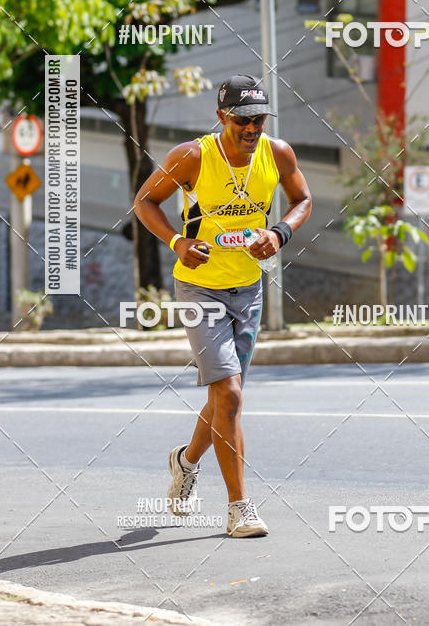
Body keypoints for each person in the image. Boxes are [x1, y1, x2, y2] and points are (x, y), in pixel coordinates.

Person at [134, 74, 312, 537]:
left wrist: (279, 233)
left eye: (259, 119)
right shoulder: (193, 156)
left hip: (248, 289)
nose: (252, 128)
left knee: (223, 399)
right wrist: (176, 241)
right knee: (229, 394)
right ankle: (239, 508)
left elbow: (302, 199)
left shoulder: (278, 153)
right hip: (199, 289)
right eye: (242, 120)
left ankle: (185, 462)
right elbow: (145, 201)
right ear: (221, 117)